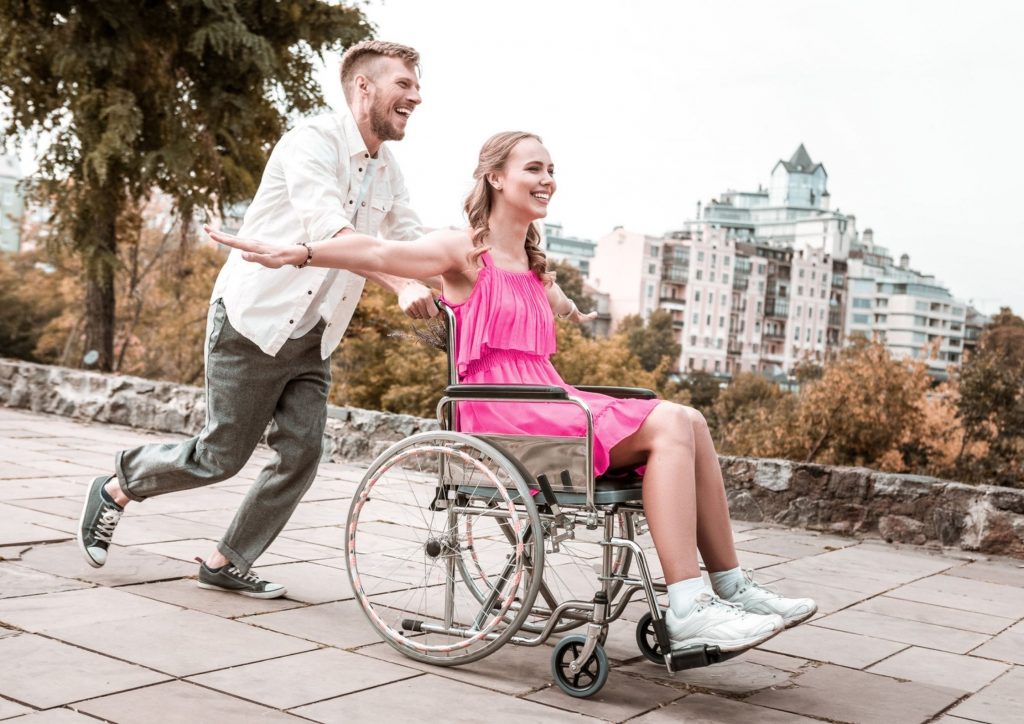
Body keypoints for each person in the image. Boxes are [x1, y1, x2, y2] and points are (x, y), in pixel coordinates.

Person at [206, 131, 817, 651]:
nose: (548, 179)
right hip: (502, 416)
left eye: (552, 170)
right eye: (534, 169)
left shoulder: (533, 261)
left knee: (691, 420)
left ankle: (731, 589)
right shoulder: (462, 251)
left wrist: (568, 304)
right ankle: (688, 606)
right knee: (673, 423)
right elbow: (378, 249)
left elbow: (549, 300)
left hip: (547, 401)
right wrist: (302, 251)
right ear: (496, 178)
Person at [77, 40, 438, 599]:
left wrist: (479, 273)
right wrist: (400, 282)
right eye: (404, 84)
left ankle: (227, 559)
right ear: (364, 87)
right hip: (254, 322)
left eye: (416, 85)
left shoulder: (387, 171)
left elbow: (413, 242)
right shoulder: (311, 143)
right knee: (221, 456)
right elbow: (327, 230)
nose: (417, 96)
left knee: (302, 453)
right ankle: (121, 483)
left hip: (315, 334)